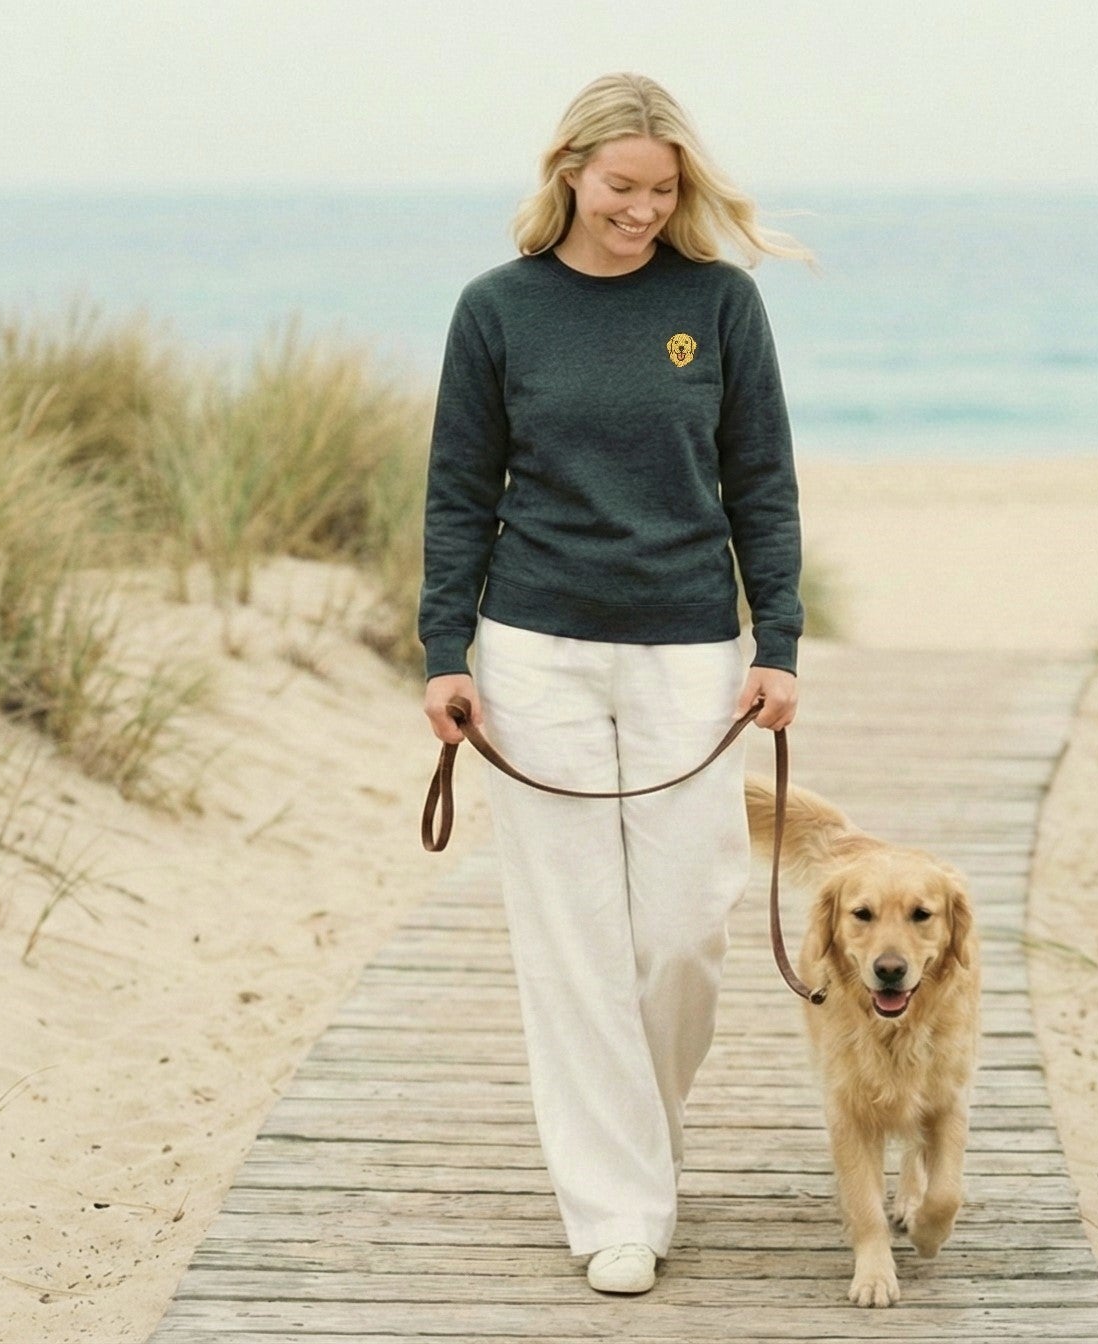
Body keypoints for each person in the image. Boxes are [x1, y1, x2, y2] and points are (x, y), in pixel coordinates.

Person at [414, 70, 808, 1297]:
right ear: (571, 172)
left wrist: (779, 641)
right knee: (575, 940)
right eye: (622, 186)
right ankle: (618, 1207)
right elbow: (459, 492)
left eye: (663, 189)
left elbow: (763, 482)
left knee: (684, 931)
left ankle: (644, 1150)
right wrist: (444, 653)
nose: (642, 209)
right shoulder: (497, 308)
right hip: (536, 649)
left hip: (692, 648)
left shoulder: (722, 304)